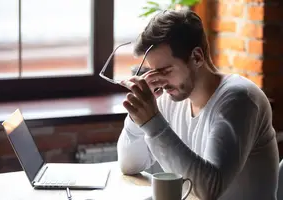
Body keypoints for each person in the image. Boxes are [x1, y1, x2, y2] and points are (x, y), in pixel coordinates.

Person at [116, 9, 279, 200]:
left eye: (165, 70)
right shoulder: (171, 97)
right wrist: (138, 114)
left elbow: (208, 191)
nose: (158, 80)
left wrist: (153, 123)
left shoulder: (239, 100)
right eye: (152, 72)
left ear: (197, 57)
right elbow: (130, 164)